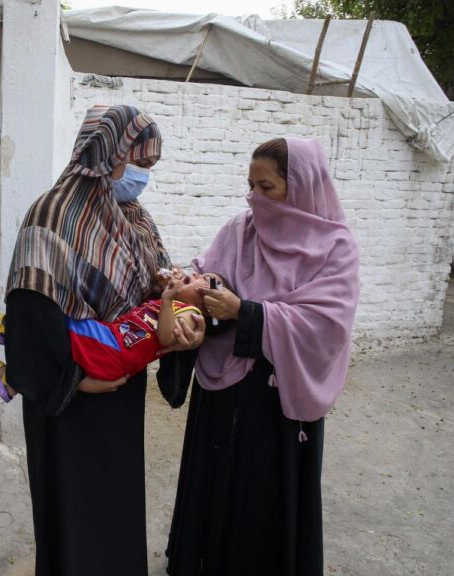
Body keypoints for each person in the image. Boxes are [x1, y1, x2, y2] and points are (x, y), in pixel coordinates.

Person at [4, 105, 205, 576]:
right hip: (67, 398)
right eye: (138, 163)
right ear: (106, 153)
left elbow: (158, 286)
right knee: (73, 516)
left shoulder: (134, 218)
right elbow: (30, 316)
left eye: (149, 168)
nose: (141, 177)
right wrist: (73, 381)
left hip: (119, 388)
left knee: (114, 505)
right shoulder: (51, 214)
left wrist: (184, 315)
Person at [161, 137, 360, 576]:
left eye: (267, 187)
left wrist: (245, 312)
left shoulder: (335, 248)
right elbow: (211, 270)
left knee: (261, 497)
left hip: (275, 404)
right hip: (221, 391)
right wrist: (198, 289)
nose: (255, 198)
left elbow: (326, 327)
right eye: (250, 186)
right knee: (214, 481)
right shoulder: (240, 229)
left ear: (302, 187)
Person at [0, 270, 219, 402]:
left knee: (60, 323)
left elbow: (166, 338)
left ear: (209, 306)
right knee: (59, 335)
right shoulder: (176, 302)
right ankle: (12, 382)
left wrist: (167, 299)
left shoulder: (191, 314)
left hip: (114, 349)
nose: (198, 275)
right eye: (200, 274)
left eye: (206, 282)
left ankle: (9, 328)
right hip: (112, 341)